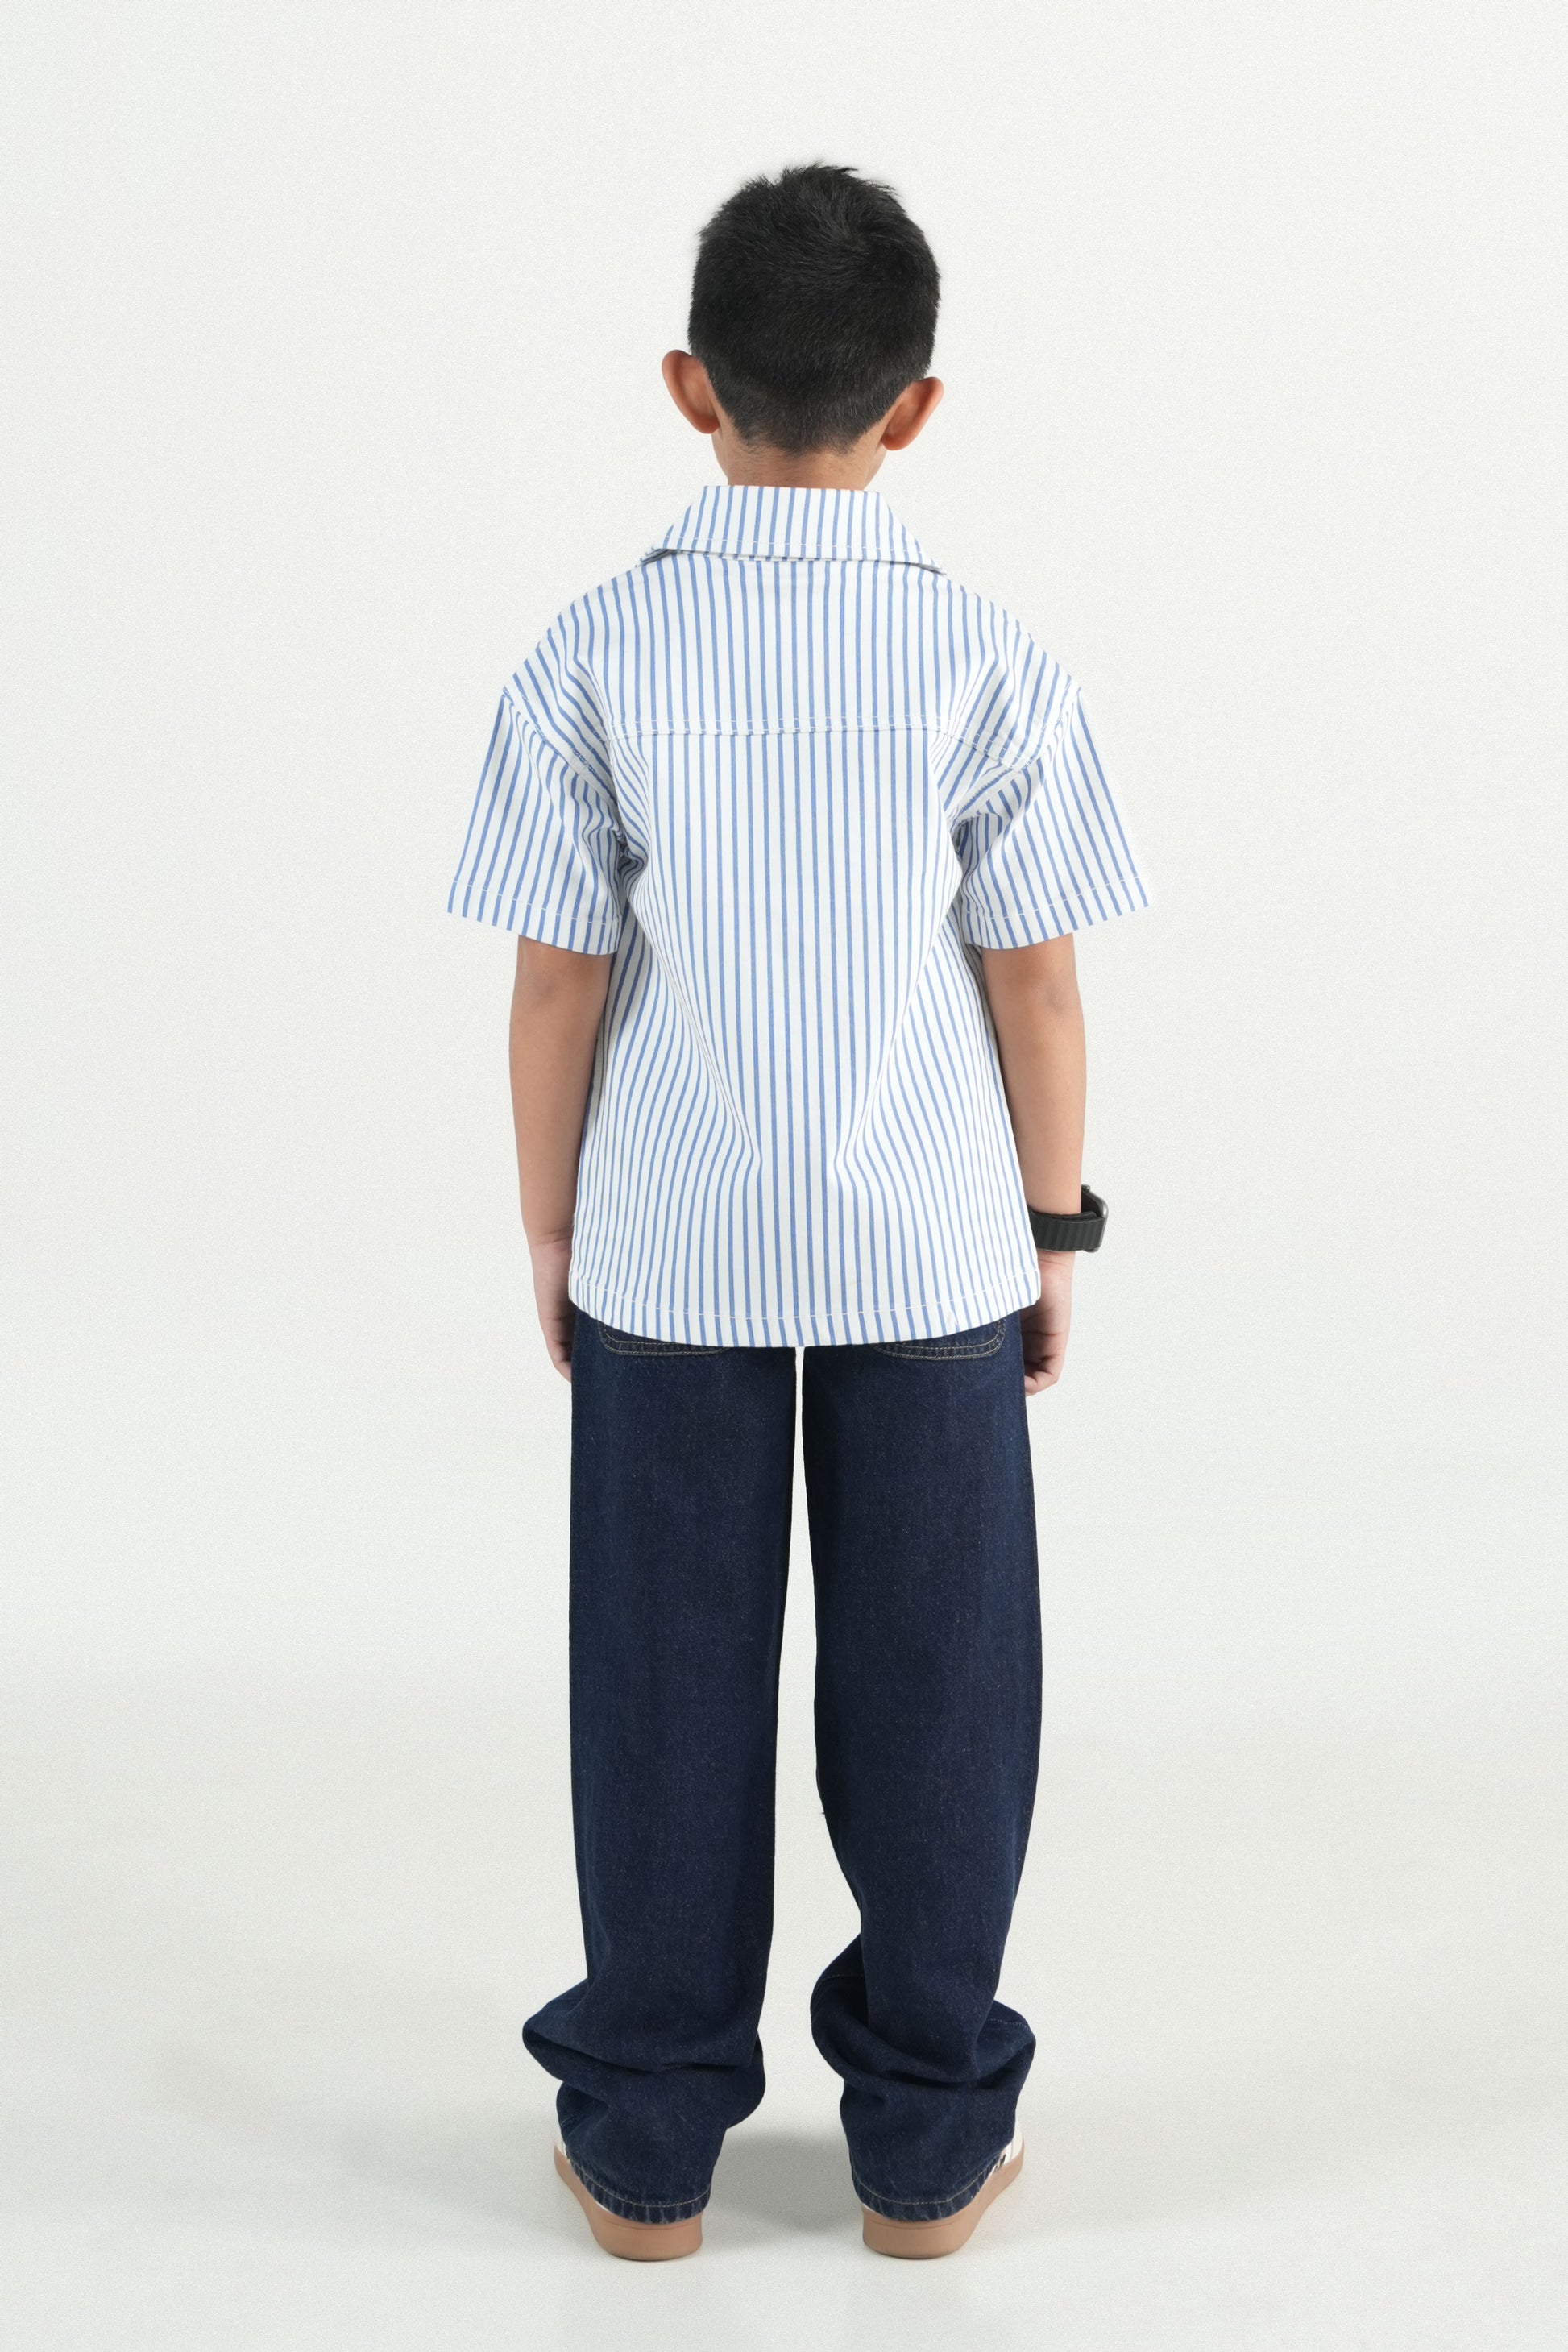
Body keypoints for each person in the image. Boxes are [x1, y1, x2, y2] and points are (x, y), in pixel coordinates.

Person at [448, 162, 1148, 2262]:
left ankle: (646, 2143)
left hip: (667, 1252)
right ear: (913, 406)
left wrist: (552, 1229)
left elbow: (556, 981)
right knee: (941, 1697)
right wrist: (1051, 1232)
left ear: (691, 384)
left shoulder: (592, 653)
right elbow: (1036, 982)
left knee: (662, 1696)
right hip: (930, 1250)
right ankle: (926, 2141)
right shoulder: (984, 656)